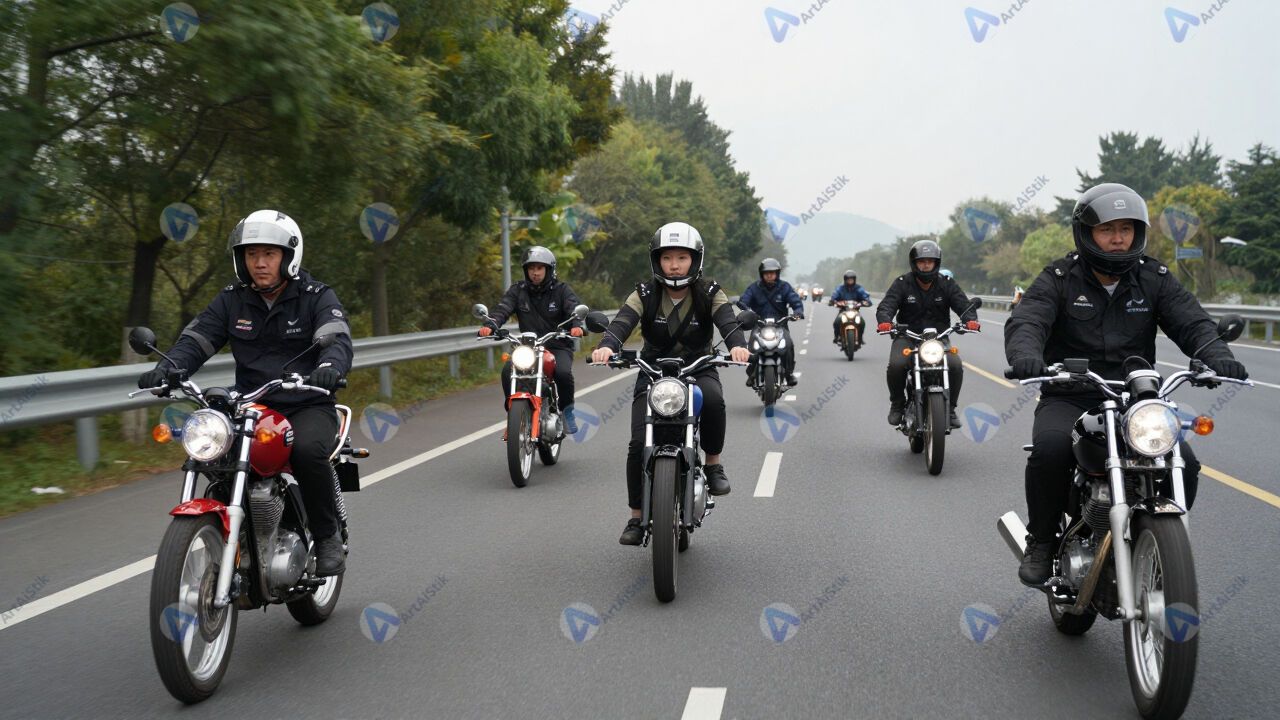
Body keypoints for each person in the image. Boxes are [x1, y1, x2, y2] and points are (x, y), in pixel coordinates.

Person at [1004, 182, 1248, 586]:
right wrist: (1025, 355)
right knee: (1051, 449)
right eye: (1107, 230)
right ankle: (1042, 541)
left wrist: (1217, 355)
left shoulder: (1154, 278)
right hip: (1071, 393)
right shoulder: (1059, 278)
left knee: (1183, 462)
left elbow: (1192, 322)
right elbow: (1028, 320)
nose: (1118, 239)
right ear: (1086, 233)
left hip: (1135, 399)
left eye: (1126, 229)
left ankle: (1159, 541)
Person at [136, 210, 354, 576]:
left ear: (288, 256)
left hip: (306, 402)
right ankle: (234, 531)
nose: (260, 263)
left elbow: (336, 337)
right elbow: (197, 340)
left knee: (306, 451)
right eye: (252, 254)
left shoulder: (316, 296)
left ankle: (326, 535)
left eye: (269, 253)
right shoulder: (231, 300)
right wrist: (168, 367)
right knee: (214, 454)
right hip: (251, 404)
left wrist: (330, 367)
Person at [590, 222, 751, 545]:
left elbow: (728, 322)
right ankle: (636, 517)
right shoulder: (644, 293)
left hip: (698, 366)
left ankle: (713, 465)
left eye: (682, 257)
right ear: (656, 260)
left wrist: (738, 345)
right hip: (653, 370)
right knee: (638, 444)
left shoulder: (709, 292)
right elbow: (622, 321)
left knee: (714, 400)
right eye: (667, 258)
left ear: (695, 259)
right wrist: (607, 345)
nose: (674, 265)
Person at [478, 246, 585, 434]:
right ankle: (515, 414)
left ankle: (567, 413)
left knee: (562, 374)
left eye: (540, 268)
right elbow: (503, 309)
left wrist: (576, 325)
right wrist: (491, 324)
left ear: (549, 269)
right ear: (526, 270)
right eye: (531, 268)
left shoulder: (561, 290)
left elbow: (572, 308)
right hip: (528, 347)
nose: (535, 272)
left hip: (557, 345)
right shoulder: (518, 290)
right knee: (507, 370)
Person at [875, 239, 978, 430]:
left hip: (938, 338)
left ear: (936, 263)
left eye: (930, 261)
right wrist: (885, 321)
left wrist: (970, 319)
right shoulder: (902, 283)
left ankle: (950, 409)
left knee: (955, 364)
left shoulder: (946, 283)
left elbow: (963, 305)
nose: (926, 265)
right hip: (908, 336)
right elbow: (887, 305)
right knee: (897, 365)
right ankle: (897, 404)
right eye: (922, 261)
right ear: (914, 263)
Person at [735, 257, 803, 387]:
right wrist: (746, 309)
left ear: (777, 273)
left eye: (772, 273)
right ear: (762, 274)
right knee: (752, 346)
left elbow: (795, 301)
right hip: (759, 324)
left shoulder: (785, 287)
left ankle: (788, 374)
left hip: (780, 325)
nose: (770, 275)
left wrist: (797, 312)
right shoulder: (754, 288)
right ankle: (751, 372)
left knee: (788, 345)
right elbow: (744, 301)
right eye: (767, 273)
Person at [828, 270, 871, 344]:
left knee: (862, 322)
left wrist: (866, 301)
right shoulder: (840, 288)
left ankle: (860, 337)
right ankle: (837, 336)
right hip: (843, 310)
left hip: (855, 311)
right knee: (836, 322)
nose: (850, 281)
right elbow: (835, 295)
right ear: (845, 280)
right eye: (848, 279)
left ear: (854, 280)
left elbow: (865, 296)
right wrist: (833, 301)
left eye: (851, 279)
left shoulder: (859, 288)